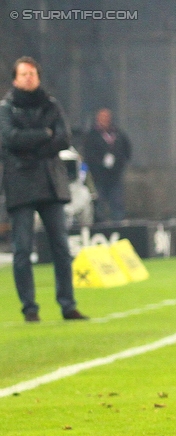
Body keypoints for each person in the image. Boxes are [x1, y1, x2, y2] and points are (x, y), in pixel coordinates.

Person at [0, 56, 87, 322]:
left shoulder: (52, 104)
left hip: (51, 182)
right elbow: (9, 139)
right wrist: (44, 135)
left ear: (38, 76)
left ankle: (67, 304)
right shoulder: (6, 108)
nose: (29, 78)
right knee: (23, 249)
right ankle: (30, 308)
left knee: (61, 247)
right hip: (20, 184)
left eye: (33, 73)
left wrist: (33, 146)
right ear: (15, 78)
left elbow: (64, 137)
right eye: (24, 74)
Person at [82, 108, 131, 223]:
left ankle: (118, 224)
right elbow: (88, 154)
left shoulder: (118, 133)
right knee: (99, 202)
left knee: (117, 202)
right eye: (101, 118)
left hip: (115, 175)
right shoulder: (92, 136)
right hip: (98, 176)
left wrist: (120, 162)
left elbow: (127, 149)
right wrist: (99, 164)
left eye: (106, 117)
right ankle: (100, 225)